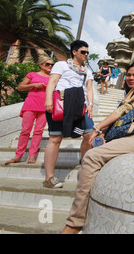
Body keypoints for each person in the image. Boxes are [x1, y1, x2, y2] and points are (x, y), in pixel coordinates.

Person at [60, 60, 134, 234]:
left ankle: (74, 223)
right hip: (132, 135)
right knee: (88, 164)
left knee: (91, 156)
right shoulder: (131, 93)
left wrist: (97, 128)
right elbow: (123, 120)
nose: (130, 78)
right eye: (129, 75)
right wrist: (105, 134)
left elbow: (122, 112)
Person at [44, 40, 95, 189]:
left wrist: (90, 105)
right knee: (55, 138)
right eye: (83, 52)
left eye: (87, 52)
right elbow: (52, 82)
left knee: (88, 134)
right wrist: (48, 100)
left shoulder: (87, 71)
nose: (86, 55)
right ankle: (49, 177)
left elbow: (89, 89)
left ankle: (85, 164)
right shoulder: (61, 65)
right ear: (74, 52)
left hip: (80, 105)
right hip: (61, 102)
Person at [5, 56, 54, 165]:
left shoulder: (53, 77)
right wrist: (33, 85)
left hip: (44, 106)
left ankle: (32, 155)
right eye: (47, 64)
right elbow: (20, 87)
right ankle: (18, 155)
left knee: (38, 131)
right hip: (31, 104)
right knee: (25, 130)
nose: (50, 66)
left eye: (52, 64)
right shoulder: (32, 75)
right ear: (41, 65)